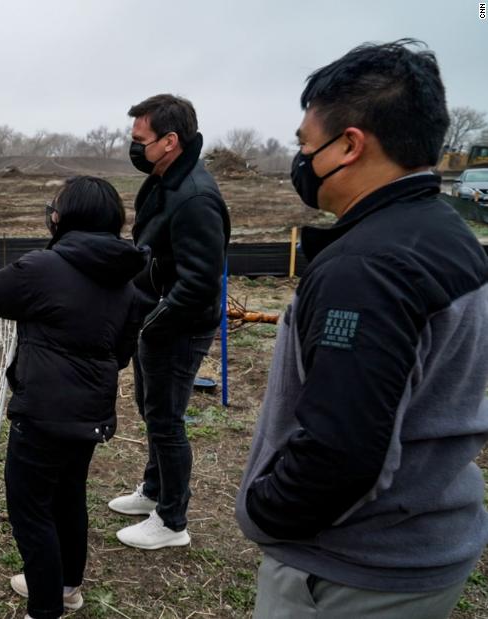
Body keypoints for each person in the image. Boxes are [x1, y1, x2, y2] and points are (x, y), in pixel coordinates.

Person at [235, 39, 488, 618]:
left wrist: (266, 512)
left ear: (349, 144)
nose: (301, 159)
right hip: (422, 549)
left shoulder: (366, 269)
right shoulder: (445, 233)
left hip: (350, 573)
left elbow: (342, 455)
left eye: (306, 143)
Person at [0, 176, 146, 619]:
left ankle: (46, 607)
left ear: (65, 217)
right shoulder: (127, 283)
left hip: (42, 415)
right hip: (89, 414)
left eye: (55, 207)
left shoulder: (44, 267)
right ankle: (67, 587)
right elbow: (120, 355)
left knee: (31, 511)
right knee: (69, 495)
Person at [109, 94, 230, 550]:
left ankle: (172, 520)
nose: (134, 146)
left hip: (178, 325)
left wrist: (154, 322)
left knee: (166, 419)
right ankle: (154, 491)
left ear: (170, 141)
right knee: (151, 409)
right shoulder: (164, 182)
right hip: (156, 317)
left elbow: (200, 283)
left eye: (141, 139)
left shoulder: (195, 198)